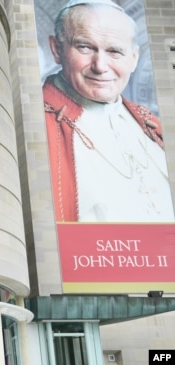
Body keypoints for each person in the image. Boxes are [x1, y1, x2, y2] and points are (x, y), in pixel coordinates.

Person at [42, 0, 174, 222]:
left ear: (134, 59)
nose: (100, 66)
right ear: (57, 49)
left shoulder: (151, 125)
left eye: (114, 51)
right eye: (85, 47)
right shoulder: (37, 122)